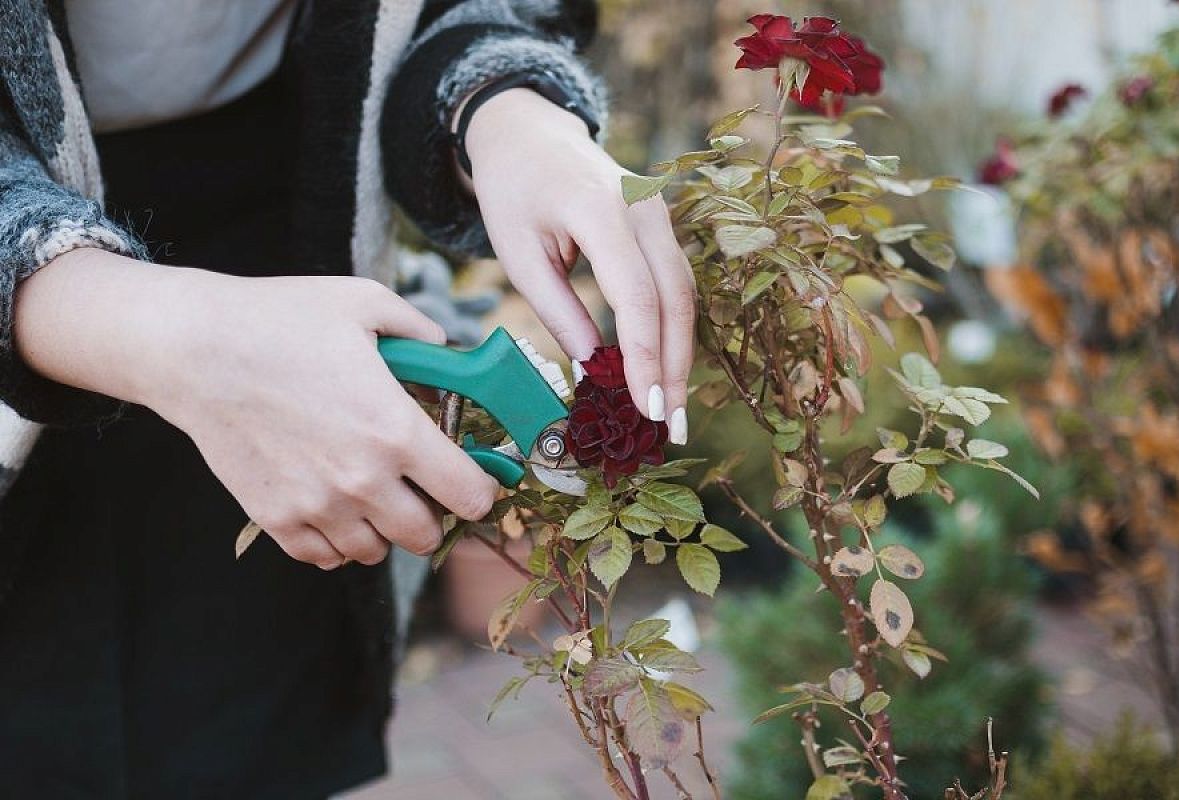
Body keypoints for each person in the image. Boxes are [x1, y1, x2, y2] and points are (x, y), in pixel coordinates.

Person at [0, 0, 695, 796]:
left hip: (298, 244)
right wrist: (158, 330)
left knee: (260, 730)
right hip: (45, 299)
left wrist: (504, 107)